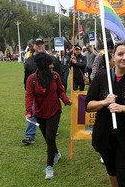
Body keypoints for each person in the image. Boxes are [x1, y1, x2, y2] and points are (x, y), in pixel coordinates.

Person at [85, 41, 125, 187]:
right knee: (112, 173)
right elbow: (88, 106)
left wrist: (122, 108)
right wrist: (103, 102)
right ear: (113, 56)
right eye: (120, 54)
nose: (124, 57)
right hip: (105, 138)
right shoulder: (102, 77)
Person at [25, 52, 71, 180]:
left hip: (54, 111)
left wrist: (66, 100)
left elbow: (61, 91)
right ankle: (56, 153)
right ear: (43, 65)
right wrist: (28, 111)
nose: (52, 66)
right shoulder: (32, 79)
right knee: (48, 139)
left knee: (50, 138)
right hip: (39, 113)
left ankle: (49, 167)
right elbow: (29, 96)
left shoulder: (55, 76)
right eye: (50, 64)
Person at [22, 38, 62, 144]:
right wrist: (27, 88)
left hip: (50, 91)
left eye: (41, 44)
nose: (39, 46)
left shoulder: (51, 58)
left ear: (44, 46)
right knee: (33, 110)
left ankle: (53, 129)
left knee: (51, 110)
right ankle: (30, 135)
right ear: (33, 46)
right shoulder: (29, 60)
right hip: (36, 91)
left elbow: (57, 72)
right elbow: (27, 76)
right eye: (37, 44)